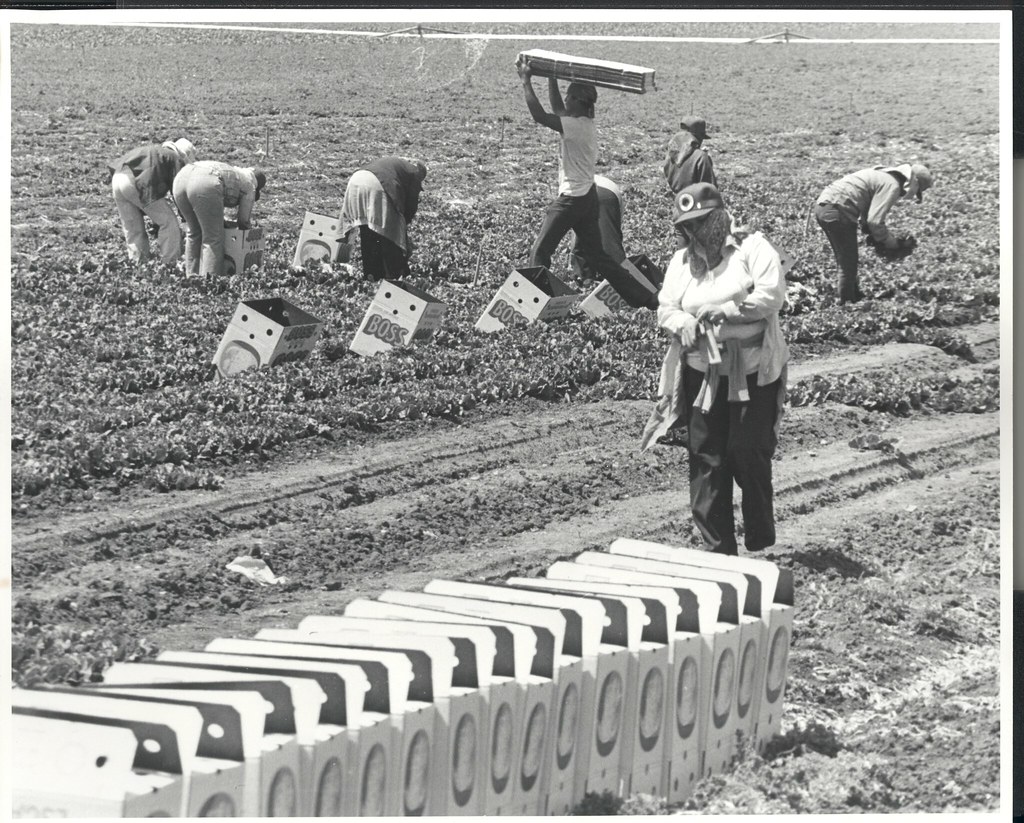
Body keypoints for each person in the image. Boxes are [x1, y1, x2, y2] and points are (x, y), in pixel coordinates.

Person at [655, 182, 789, 556]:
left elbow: (770, 296)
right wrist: (684, 323)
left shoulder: (751, 248)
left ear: (719, 218)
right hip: (704, 371)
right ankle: (718, 547)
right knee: (707, 453)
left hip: (752, 368)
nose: (694, 233)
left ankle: (760, 531)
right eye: (687, 226)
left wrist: (728, 311)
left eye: (701, 223)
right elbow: (666, 307)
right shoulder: (682, 262)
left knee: (748, 449)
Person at [517, 62, 656, 310]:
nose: (566, 100)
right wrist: (551, 77)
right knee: (601, 258)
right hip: (588, 199)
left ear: (579, 101)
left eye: (569, 96)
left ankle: (529, 304)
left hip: (571, 200)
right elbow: (559, 108)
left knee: (540, 250)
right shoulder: (584, 123)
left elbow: (540, 116)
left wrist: (526, 81)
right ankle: (647, 298)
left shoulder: (574, 126)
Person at [814, 163, 932, 304]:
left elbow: (867, 215)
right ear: (912, 184)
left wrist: (872, 233)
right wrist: (892, 243)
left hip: (824, 206)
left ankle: (854, 296)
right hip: (837, 209)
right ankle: (846, 304)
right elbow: (875, 222)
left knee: (846, 257)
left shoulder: (883, 177)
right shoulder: (892, 185)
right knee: (847, 262)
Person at [108, 138, 196, 265]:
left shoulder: (157, 151)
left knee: (132, 227)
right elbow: (178, 191)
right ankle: (170, 262)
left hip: (117, 178)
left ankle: (137, 264)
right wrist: (186, 217)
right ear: (184, 155)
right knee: (168, 222)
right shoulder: (175, 158)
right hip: (134, 182)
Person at [172, 161, 266, 278]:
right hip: (204, 181)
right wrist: (248, 234)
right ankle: (210, 281)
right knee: (213, 237)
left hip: (181, 178)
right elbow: (243, 221)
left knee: (194, 232)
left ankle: (192, 277)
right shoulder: (250, 184)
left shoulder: (235, 173)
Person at [341, 156, 427, 281]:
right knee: (390, 234)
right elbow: (410, 206)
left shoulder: (398, 166)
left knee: (367, 230)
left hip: (356, 182)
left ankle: (372, 273)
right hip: (377, 186)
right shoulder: (414, 174)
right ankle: (396, 275)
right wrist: (404, 235)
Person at [664, 116, 717, 251]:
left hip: (679, 208)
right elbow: (709, 190)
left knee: (682, 257)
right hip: (697, 212)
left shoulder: (672, 156)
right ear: (698, 137)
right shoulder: (701, 157)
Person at [569, 174, 626, 280]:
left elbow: (577, 239)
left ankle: (631, 290)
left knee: (611, 254)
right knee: (611, 250)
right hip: (608, 190)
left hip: (590, 189)